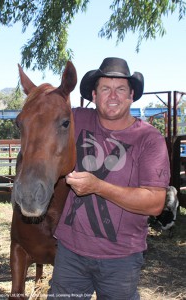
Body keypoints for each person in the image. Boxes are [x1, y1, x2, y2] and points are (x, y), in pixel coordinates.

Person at [47, 57, 170, 300]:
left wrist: (99, 187)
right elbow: (42, 118)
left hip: (121, 258)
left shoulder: (149, 139)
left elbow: (156, 203)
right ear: (94, 95)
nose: (112, 96)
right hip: (70, 253)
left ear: (131, 95)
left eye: (120, 89)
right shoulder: (75, 120)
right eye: (105, 88)